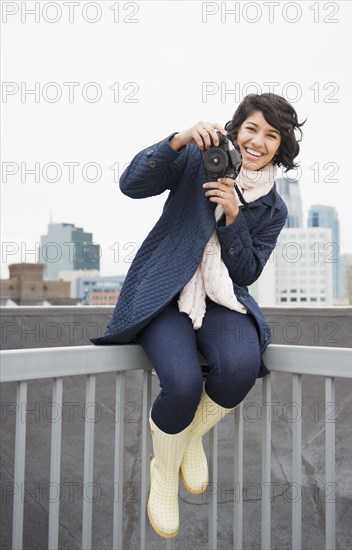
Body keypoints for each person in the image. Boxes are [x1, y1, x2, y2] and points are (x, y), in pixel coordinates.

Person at [90, 93, 305, 538]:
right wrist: (178, 139)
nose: (258, 141)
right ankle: (164, 476)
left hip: (221, 296)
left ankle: (185, 442)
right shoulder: (196, 157)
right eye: (252, 128)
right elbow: (131, 184)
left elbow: (247, 270)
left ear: (280, 148)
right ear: (235, 128)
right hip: (164, 292)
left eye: (271, 135)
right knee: (184, 383)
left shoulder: (273, 207)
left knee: (240, 367)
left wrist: (232, 219)